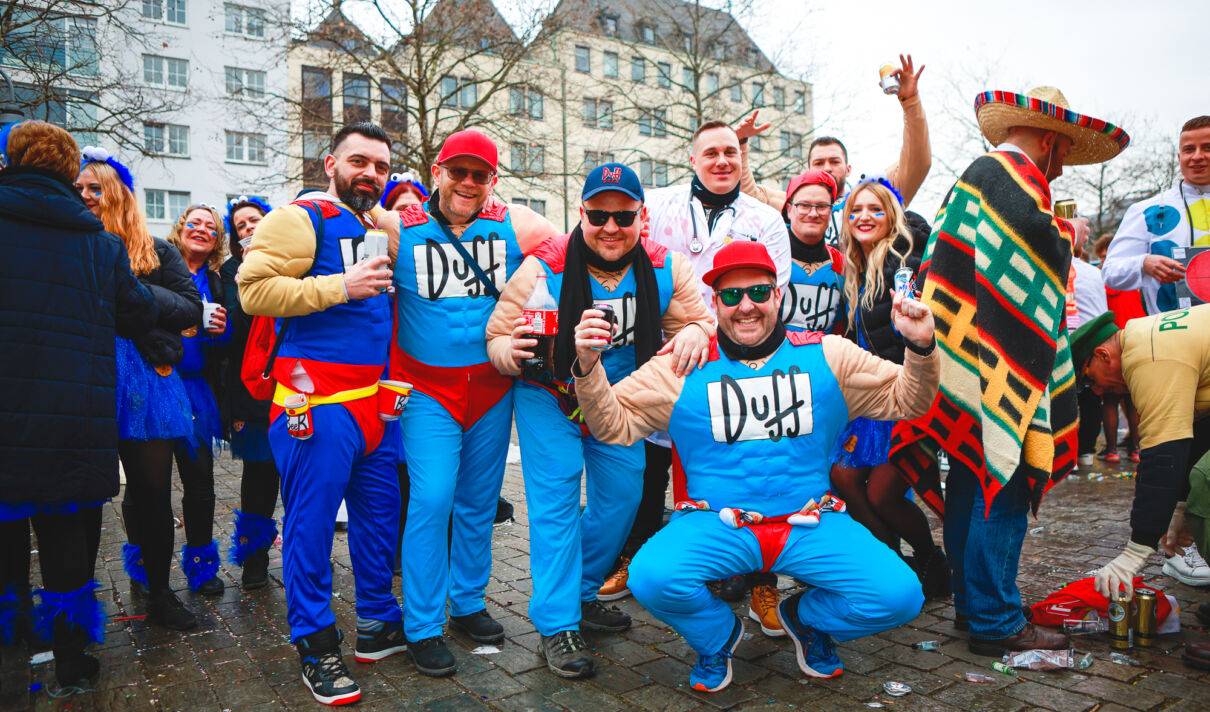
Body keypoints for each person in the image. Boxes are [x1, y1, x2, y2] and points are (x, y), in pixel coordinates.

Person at [573, 240, 936, 691]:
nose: (746, 306)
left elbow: (909, 400)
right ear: (714, 304)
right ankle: (717, 637)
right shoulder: (681, 366)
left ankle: (807, 620)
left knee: (899, 596)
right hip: (716, 526)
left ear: (779, 294)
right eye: (731, 296)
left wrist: (921, 348)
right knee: (652, 577)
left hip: (810, 522)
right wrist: (587, 367)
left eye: (759, 293)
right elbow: (611, 425)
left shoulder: (828, 354)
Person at [889, 86, 1129, 656]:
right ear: (1049, 142)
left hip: (961, 361)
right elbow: (1034, 278)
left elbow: (942, 268)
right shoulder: (1018, 182)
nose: (1063, 164)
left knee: (975, 478)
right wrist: (1064, 239)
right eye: (1063, 152)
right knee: (1007, 481)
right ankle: (997, 621)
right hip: (1000, 367)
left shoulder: (972, 179)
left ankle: (975, 608)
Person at [485, 163, 714, 677]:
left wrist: (699, 332)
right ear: (582, 214)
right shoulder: (541, 267)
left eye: (623, 215)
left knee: (622, 499)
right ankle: (557, 623)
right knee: (556, 504)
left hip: (620, 399)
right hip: (552, 396)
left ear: (641, 216)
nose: (611, 227)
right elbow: (497, 339)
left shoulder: (664, 267)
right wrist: (511, 352)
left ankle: (582, 592)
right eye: (599, 215)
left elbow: (699, 320)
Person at [376, 128, 557, 677]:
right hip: (427, 389)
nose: (468, 183)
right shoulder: (396, 225)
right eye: (459, 171)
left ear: (493, 181)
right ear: (437, 171)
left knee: (478, 501)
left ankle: (468, 601)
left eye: (480, 175)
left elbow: (576, 245)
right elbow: (337, 221)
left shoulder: (515, 222)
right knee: (431, 498)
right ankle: (423, 624)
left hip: (491, 387)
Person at [237, 122, 403, 706]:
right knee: (309, 526)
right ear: (330, 163)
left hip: (374, 406)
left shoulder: (373, 223)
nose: (372, 174)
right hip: (315, 405)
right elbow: (252, 291)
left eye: (382, 166)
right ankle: (314, 642)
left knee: (381, 518)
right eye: (359, 161)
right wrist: (340, 286)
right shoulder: (298, 217)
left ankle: (379, 621)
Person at [599, 118, 788, 608]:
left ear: (741, 158)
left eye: (731, 152)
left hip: (736, 357)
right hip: (669, 353)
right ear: (692, 158)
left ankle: (759, 576)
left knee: (738, 465)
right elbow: (627, 257)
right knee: (651, 463)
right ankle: (632, 554)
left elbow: (776, 288)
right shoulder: (658, 206)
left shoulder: (765, 218)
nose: (723, 161)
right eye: (712, 153)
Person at [0, 120, 157, 689]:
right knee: (68, 539)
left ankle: (11, 631)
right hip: (74, 419)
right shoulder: (99, 244)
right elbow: (137, 310)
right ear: (71, 172)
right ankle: (71, 660)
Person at [75, 147, 204, 631]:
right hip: (86, 378)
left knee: (152, 492)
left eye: (95, 188)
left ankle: (160, 595)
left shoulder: (156, 249)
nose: (85, 196)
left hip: (149, 384)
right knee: (83, 493)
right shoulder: (70, 244)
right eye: (79, 188)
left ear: (120, 195)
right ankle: (77, 604)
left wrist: (130, 296)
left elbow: (190, 307)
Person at [827, 177, 948, 599]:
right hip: (870, 396)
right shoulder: (854, 266)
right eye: (856, 210)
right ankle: (890, 565)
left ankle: (931, 561)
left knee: (882, 493)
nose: (864, 217)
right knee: (843, 476)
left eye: (876, 210)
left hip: (907, 397)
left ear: (891, 216)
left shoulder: (903, 263)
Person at [1072, 305, 1210, 668]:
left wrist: (1137, 549)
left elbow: (1163, 455)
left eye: (1090, 379)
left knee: (1207, 487)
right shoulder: (1146, 335)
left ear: (1103, 354)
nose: (1098, 391)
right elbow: (1198, 430)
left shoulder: (1147, 357)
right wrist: (1178, 505)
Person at [737, 54, 931, 240]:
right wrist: (741, 144)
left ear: (848, 169)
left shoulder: (870, 200)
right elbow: (751, 197)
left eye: (834, 161)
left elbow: (916, 163)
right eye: (819, 162)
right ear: (808, 169)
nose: (827, 167)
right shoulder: (794, 205)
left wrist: (911, 102)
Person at [166, 204, 231, 596]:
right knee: (148, 486)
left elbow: (223, 345)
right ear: (181, 228)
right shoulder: (158, 264)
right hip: (158, 383)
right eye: (195, 222)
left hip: (196, 390)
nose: (202, 230)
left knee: (200, 482)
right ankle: (145, 567)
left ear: (216, 240)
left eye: (210, 226)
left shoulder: (218, 281)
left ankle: (201, 568)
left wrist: (218, 331)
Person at [220, 195, 281, 591]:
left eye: (254, 220)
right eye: (240, 226)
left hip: (294, 384)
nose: (248, 229)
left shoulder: (290, 261)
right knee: (258, 478)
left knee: (300, 479)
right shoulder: (231, 272)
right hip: (252, 389)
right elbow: (236, 323)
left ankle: (304, 556)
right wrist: (248, 270)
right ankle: (254, 560)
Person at [1102, 116, 1210, 315]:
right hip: (1173, 336)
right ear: (1179, 158)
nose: (1197, 156)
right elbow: (1110, 272)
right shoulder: (1146, 211)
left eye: (1207, 148)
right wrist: (1143, 263)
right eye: (1188, 149)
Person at [779, 169, 845, 333]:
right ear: (789, 209)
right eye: (804, 205)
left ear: (830, 212)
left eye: (822, 206)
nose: (813, 213)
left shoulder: (843, 265)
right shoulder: (769, 256)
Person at [1067, 218, 1110, 467]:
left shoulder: (1054, 269)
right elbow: (1101, 310)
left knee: (1065, 398)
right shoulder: (1094, 272)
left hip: (1066, 343)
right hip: (1094, 340)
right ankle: (1085, 450)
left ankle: (1065, 451)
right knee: (1092, 396)